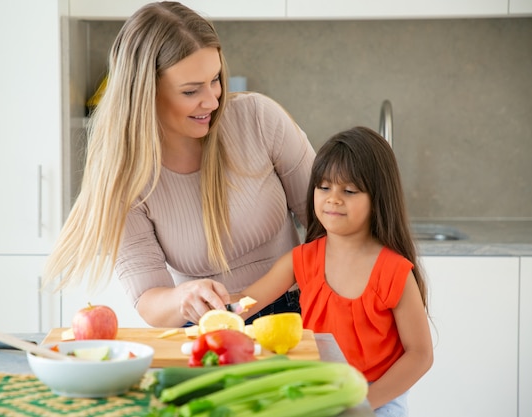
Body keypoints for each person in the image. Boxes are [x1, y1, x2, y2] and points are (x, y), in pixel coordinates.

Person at [42, 1, 316, 328]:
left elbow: (329, 226)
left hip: (299, 312)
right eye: (190, 91)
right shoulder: (127, 180)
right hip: (206, 329)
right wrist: (183, 297)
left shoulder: (258, 119)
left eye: (214, 79)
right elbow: (149, 299)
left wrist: (250, 299)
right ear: (146, 93)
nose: (213, 101)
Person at [233, 127, 433, 416]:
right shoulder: (302, 259)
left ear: (378, 198)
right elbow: (247, 301)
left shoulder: (394, 271)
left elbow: (420, 355)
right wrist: (218, 306)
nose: (333, 199)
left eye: (349, 191)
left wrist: (362, 402)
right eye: (324, 187)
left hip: (377, 397)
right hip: (319, 388)